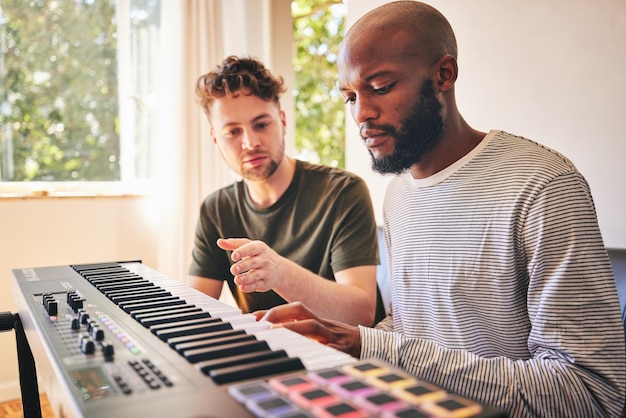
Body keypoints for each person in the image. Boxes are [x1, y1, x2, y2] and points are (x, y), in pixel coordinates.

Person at [257, 1, 626, 416]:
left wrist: (365, 343)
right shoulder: (400, 194)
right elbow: (409, 332)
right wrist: (331, 347)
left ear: (443, 75)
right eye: (350, 98)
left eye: (380, 87)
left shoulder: (542, 186)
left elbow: (591, 394)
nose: (362, 114)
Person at [188, 55, 384, 327]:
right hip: (266, 357)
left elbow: (361, 314)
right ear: (215, 139)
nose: (250, 143)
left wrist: (280, 273)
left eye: (261, 124)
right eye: (232, 132)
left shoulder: (343, 192)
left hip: (340, 359)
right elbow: (195, 311)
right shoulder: (216, 209)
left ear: (281, 121)